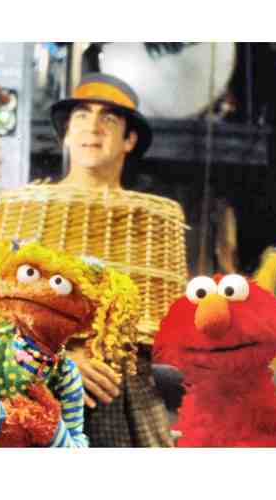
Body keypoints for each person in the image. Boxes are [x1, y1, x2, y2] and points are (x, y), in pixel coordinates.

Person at [49, 72, 173, 446]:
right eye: (81, 116)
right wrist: (63, 360)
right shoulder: (30, 211)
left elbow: (164, 325)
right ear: (67, 133)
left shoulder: (150, 222)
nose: (93, 127)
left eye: (109, 118)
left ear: (129, 140)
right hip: (42, 383)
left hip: (127, 391)